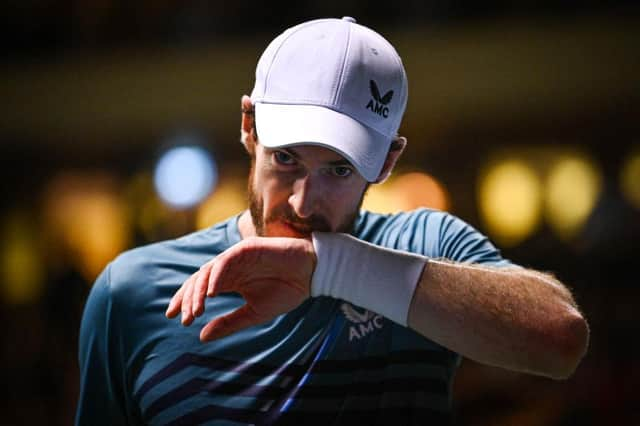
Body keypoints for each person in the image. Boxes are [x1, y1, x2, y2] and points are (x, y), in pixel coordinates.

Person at [76, 17, 589, 425]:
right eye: (286, 160)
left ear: (386, 162)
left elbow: (561, 340)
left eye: (339, 170)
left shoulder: (423, 246)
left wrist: (333, 270)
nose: (303, 203)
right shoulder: (132, 291)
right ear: (249, 127)